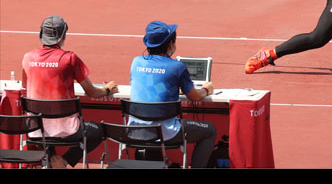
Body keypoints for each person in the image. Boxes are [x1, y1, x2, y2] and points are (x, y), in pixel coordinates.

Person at [21, 14, 119, 168]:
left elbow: (26, 88)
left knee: (46, 130)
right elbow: (92, 92)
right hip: (68, 131)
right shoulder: (70, 59)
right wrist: (107, 90)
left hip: (35, 131)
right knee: (98, 131)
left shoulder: (27, 58)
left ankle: (52, 159)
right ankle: (64, 161)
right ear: (62, 36)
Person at [129, 20, 216, 168]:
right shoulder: (177, 66)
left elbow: (149, 85)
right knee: (210, 130)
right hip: (165, 133)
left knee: (154, 127)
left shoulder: (136, 62)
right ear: (170, 44)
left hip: (135, 130)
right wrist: (207, 89)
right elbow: (194, 96)